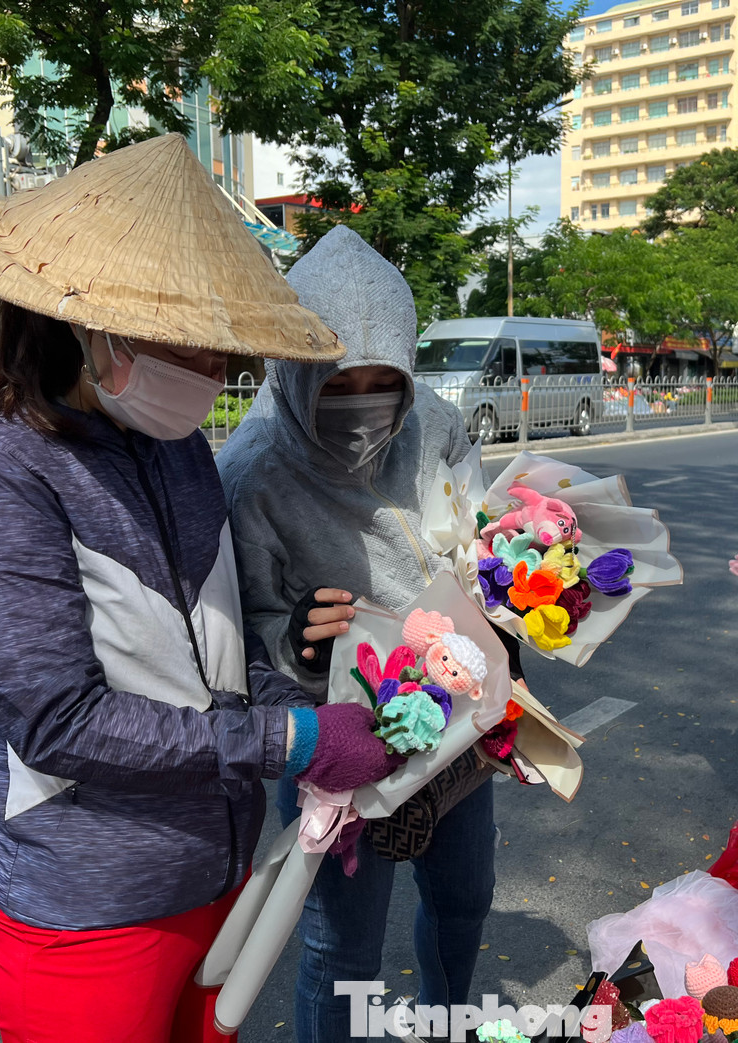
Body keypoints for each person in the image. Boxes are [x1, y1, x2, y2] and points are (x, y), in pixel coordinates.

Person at [0, 135, 401, 1043]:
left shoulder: (179, 454)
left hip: (218, 882)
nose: (212, 373)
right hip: (90, 913)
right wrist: (291, 739)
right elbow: (60, 721)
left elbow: (214, 658)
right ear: (90, 326)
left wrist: (307, 707)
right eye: (189, 344)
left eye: (221, 353)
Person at [218, 226, 500, 1043]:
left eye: (386, 383)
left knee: (463, 899)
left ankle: (446, 1023)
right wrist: (298, 644)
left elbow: (479, 536)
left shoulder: (434, 426)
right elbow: (242, 630)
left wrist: (505, 601)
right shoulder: (252, 472)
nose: (365, 406)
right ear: (297, 368)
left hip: (455, 722)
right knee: (341, 948)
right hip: (342, 739)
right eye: (341, 383)